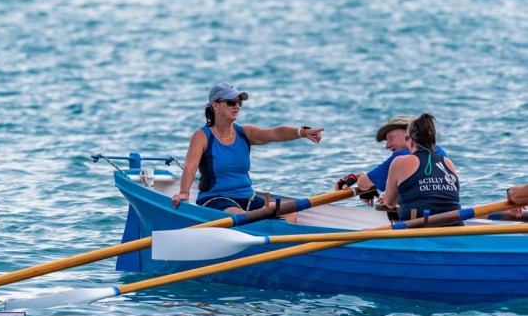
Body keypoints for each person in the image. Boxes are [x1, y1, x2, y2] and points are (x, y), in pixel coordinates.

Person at [171, 82, 324, 215]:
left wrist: (302, 132)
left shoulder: (245, 133)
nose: (237, 106)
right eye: (231, 102)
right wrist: (184, 192)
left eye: (239, 102)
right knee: (243, 217)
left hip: (248, 198)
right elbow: (190, 167)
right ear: (215, 106)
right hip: (215, 199)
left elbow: (275, 133)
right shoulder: (202, 136)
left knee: (289, 212)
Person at [335, 115, 448, 207]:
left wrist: (359, 178)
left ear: (408, 134)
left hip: (420, 218)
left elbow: (363, 183)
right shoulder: (441, 154)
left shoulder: (400, 157)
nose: (387, 145)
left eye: (391, 138)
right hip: (448, 213)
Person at [381, 113, 461, 223]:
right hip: (454, 224)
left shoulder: (399, 162)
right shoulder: (448, 163)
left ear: (411, 141)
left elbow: (389, 203)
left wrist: (388, 197)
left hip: (416, 226)